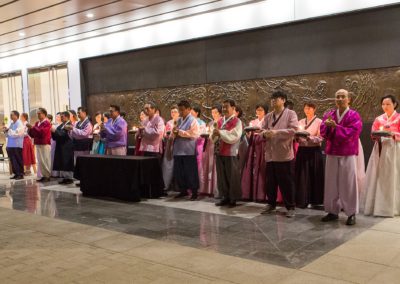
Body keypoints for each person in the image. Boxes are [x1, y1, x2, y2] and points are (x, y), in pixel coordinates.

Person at [320, 89, 362, 226]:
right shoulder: (330, 114)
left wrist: (336, 127)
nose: (339, 99)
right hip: (332, 152)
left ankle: (351, 213)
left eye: (342, 96)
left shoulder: (354, 115)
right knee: (331, 183)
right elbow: (323, 131)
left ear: (348, 99)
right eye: (337, 96)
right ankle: (332, 211)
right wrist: (328, 127)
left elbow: (353, 132)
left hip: (347, 153)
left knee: (348, 183)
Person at [261, 91, 298, 218]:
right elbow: (262, 130)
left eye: (275, 99)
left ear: (283, 100)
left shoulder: (290, 113)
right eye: (272, 99)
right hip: (270, 154)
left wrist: (276, 132)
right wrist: (264, 134)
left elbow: (293, 130)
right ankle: (271, 203)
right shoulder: (268, 116)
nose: (273, 101)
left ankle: (290, 206)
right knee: (270, 182)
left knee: (286, 182)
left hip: (284, 154)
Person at [364, 95, 400, 217]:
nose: (385, 107)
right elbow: (373, 133)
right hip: (380, 148)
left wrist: (393, 134)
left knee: (393, 175)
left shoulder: (399, 118)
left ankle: (393, 206)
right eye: (383, 104)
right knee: (378, 175)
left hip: (394, 148)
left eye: (388, 104)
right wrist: (377, 134)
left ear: (394, 104)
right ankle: (378, 205)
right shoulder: (379, 119)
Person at [212, 99, 243, 207]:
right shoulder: (219, 121)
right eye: (223, 107)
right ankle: (225, 196)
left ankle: (233, 198)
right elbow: (213, 136)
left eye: (226, 107)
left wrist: (219, 132)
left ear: (233, 108)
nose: (224, 109)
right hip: (219, 151)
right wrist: (214, 134)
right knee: (221, 176)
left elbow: (234, 136)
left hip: (230, 152)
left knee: (232, 176)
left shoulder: (237, 121)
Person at [295, 102, 324, 208]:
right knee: (302, 175)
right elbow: (297, 136)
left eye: (309, 108)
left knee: (314, 175)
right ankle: (302, 199)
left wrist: (309, 137)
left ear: (314, 109)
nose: (307, 110)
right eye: (305, 108)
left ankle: (315, 200)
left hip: (314, 151)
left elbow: (320, 138)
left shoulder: (320, 122)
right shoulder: (301, 122)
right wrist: (297, 137)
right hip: (302, 150)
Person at [172, 100, 200, 200]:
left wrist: (180, 132)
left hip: (188, 150)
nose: (180, 112)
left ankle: (194, 192)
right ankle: (183, 190)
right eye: (179, 110)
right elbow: (174, 132)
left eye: (182, 110)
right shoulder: (178, 120)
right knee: (179, 172)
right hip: (178, 149)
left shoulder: (193, 120)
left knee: (191, 172)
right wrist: (173, 133)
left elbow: (195, 134)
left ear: (189, 109)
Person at [242, 104, 268, 201]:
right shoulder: (252, 122)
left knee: (261, 168)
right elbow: (249, 135)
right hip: (253, 145)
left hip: (262, 145)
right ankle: (250, 193)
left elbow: (267, 133)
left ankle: (261, 194)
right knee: (251, 167)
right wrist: (249, 134)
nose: (258, 112)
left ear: (265, 111)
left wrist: (261, 132)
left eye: (261, 110)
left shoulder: (266, 121)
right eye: (257, 110)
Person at [200, 104, 221, 196]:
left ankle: (216, 190)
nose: (214, 114)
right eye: (212, 112)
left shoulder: (221, 122)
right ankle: (208, 189)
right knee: (208, 166)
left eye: (215, 112)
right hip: (209, 145)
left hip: (217, 146)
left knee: (215, 167)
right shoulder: (211, 123)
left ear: (220, 112)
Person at [27, 108, 52, 182]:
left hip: (45, 143)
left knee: (46, 160)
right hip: (38, 143)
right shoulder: (37, 123)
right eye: (37, 114)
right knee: (40, 161)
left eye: (39, 113)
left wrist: (33, 128)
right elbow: (33, 134)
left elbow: (42, 133)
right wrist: (30, 129)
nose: (38, 115)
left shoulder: (47, 123)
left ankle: (47, 175)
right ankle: (43, 175)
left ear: (44, 114)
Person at [51, 112, 74, 185]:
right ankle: (64, 177)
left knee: (66, 161)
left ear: (67, 117)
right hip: (60, 145)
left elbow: (62, 134)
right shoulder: (61, 125)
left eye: (62, 116)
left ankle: (69, 178)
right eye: (61, 116)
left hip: (67, 146)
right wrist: (53, 132)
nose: (61, 118)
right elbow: (55, 135)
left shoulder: (69, 124)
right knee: (61, 161)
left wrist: (54, 131)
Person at [162, 106, 179, 191]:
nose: (173, 113)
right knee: (168, 165)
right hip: (170, 145)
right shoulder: (169, 123)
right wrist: (167, 135)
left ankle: (178, 185)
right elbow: (165, 134)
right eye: (172, 112)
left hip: (179, 145)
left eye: (175, 112)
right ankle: (167, 184)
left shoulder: (181, 121)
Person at [3, 111, 24, 180]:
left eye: (12, 115)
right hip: (10, 144)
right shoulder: (12, 123)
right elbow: (8, 135)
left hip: (17, 144)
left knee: (18, 159)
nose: (10, 116)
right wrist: (5, 131)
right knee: (12, 160)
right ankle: (16, 173)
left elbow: (16, 134)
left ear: (16, 115)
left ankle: (20, 174)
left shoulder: (19, 123)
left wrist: (9, 130)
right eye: (10, 115)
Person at [191, 106, 207, 193]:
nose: (190, 113)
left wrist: (191, 135)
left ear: (197, 113)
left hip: (199, 146)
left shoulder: (201, 123)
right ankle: (191, 188)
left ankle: (199, 188)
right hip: (190, 146)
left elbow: (201, 135)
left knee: (199, 167)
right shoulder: (190, 121)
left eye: (192, 111)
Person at [50, 112, 62, 177]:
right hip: (53, 141)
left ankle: (58, 173)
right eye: (56, 116)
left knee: (58, 157)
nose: (57, 118)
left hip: (58, 141)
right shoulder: (54, 125)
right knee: (52, 156)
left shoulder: (62, 125)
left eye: (58, 116)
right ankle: (53, 172)